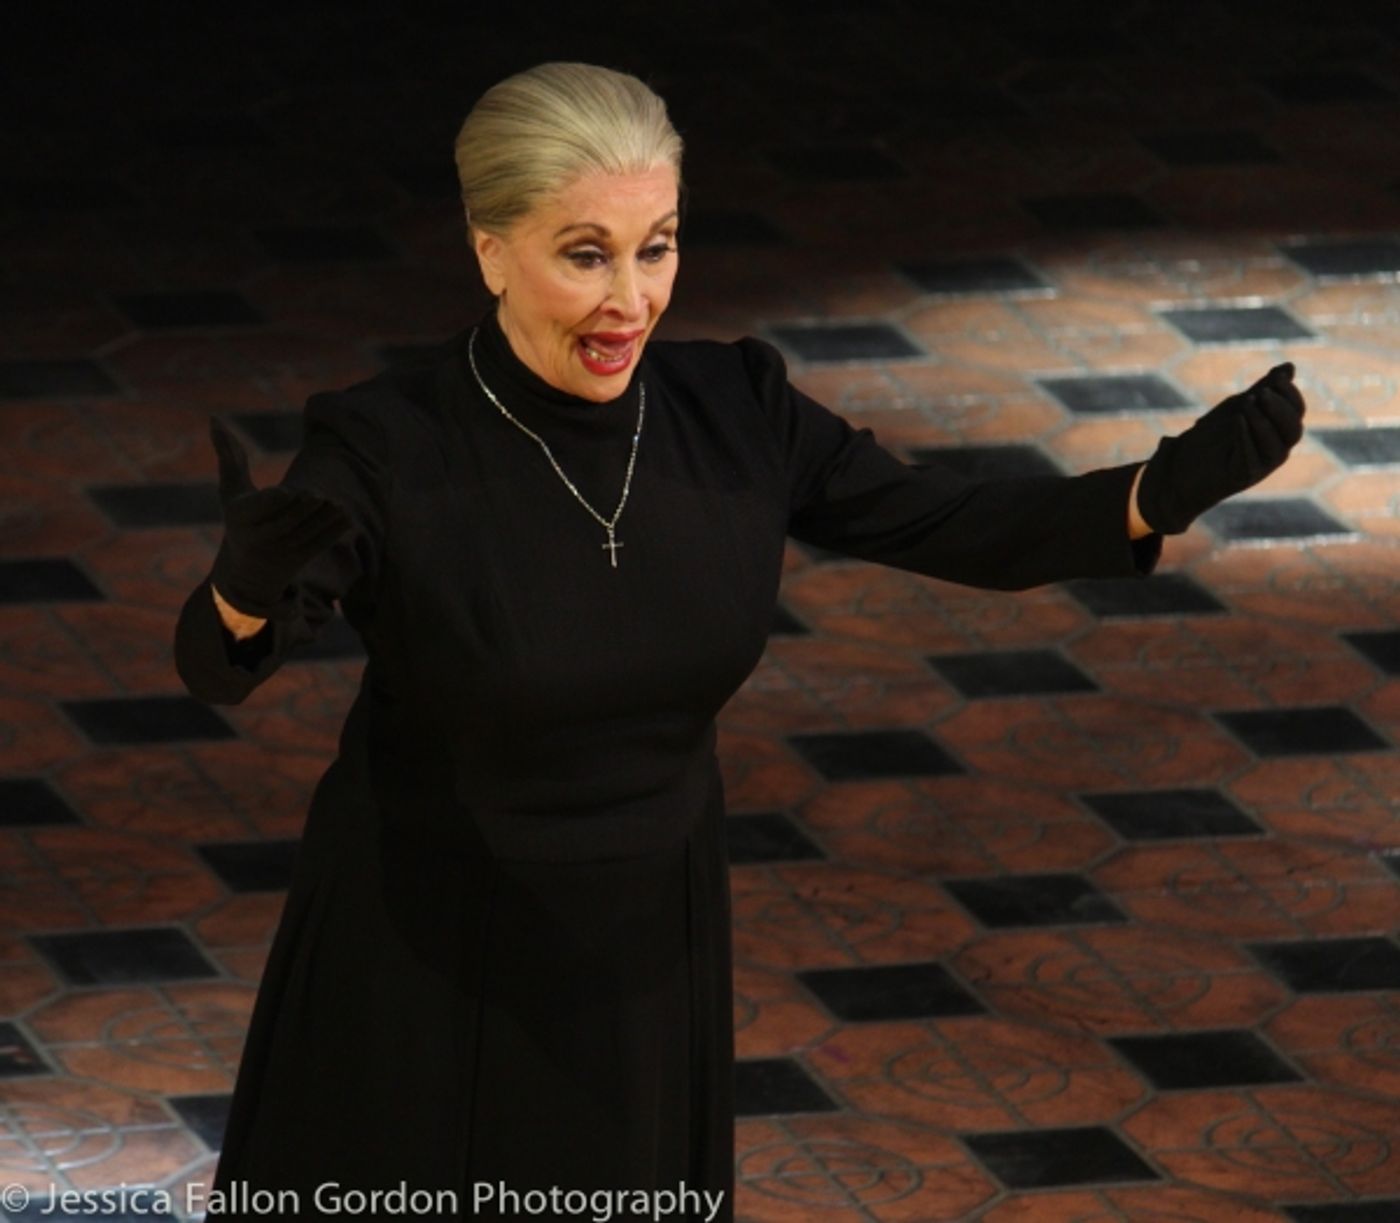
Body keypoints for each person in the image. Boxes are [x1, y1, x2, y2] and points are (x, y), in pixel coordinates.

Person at [173, 61, 1306, 1221]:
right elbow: (223, 659)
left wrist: (1152, 493)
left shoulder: (735, 409)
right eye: (583, 253)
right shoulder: (386, 445)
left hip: (640, 954)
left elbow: (948, 520)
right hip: (420, 947)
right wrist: (242, 593)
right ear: (488, 249)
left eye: (655, 246)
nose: (629, 298)